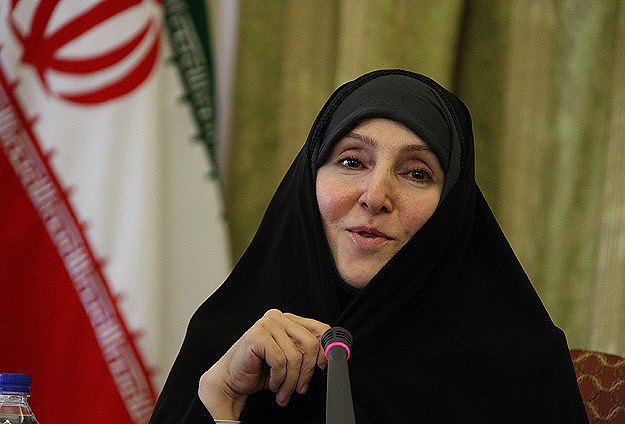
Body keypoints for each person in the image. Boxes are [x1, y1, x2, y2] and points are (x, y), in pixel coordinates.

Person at [150, 69, 589, 423]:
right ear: (309, 181)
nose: (376, 195)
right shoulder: (228, 343)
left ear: (451, 207)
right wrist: (222, 399)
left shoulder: (521, 370)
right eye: (351, 161)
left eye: (416, 173)